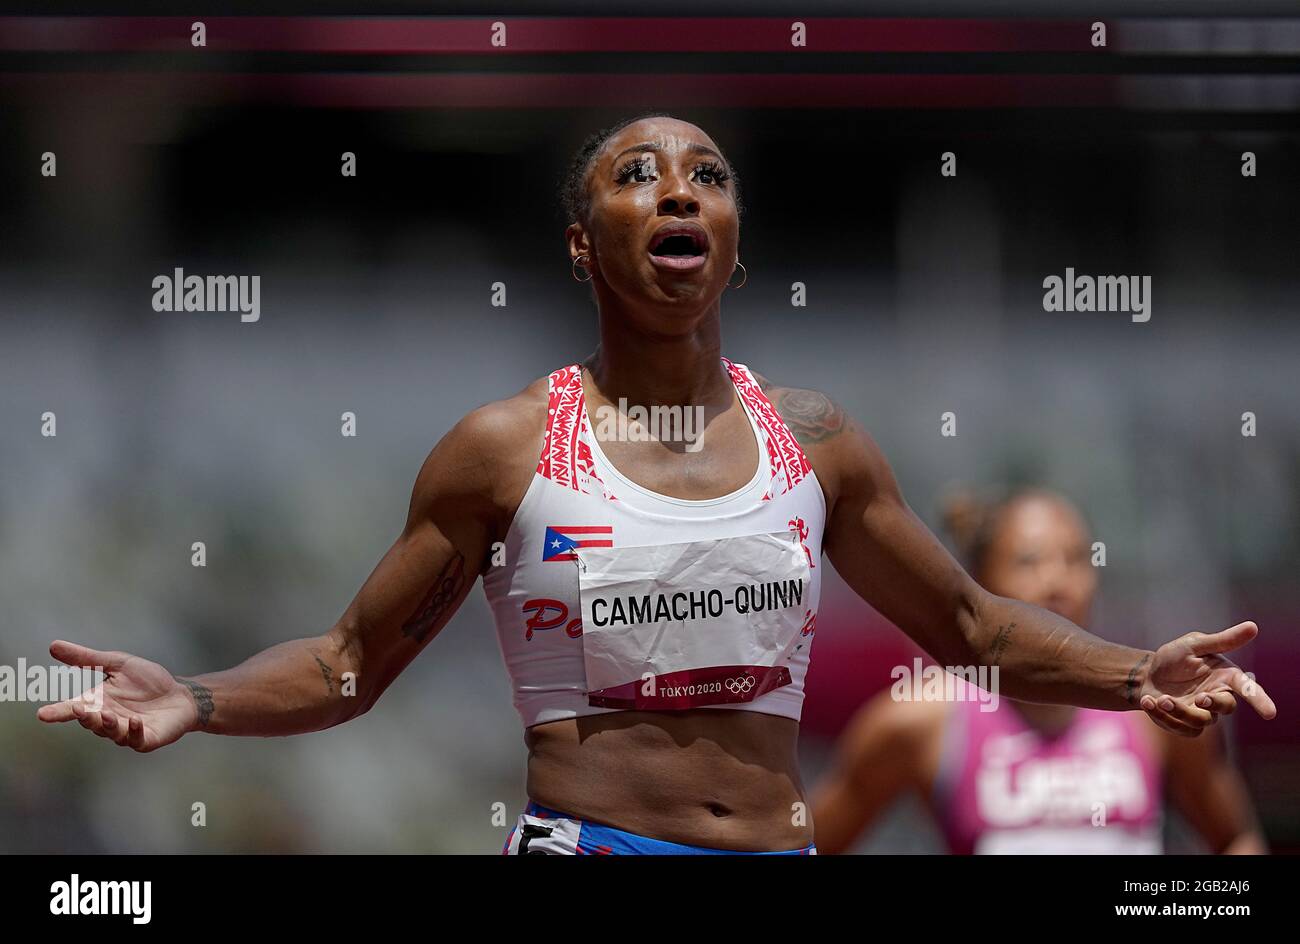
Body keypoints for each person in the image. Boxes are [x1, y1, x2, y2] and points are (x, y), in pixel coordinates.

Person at [37, 113, 1276, 855]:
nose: (677, 186)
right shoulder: (504, 449)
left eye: (707, 174)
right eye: (636, 173)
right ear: (583, 245)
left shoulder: (819, 442)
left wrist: (1130, 673)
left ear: (733, 236)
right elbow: (349, 662)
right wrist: (195, 696)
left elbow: (965, 625)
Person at [812, 488, 1268, 855]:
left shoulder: (1155, 706)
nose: (1058, 581)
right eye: (1029, 561)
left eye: (1075, 559)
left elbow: (1236, 839)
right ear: (981, 590)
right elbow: (808, 844)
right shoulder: (921, 719)